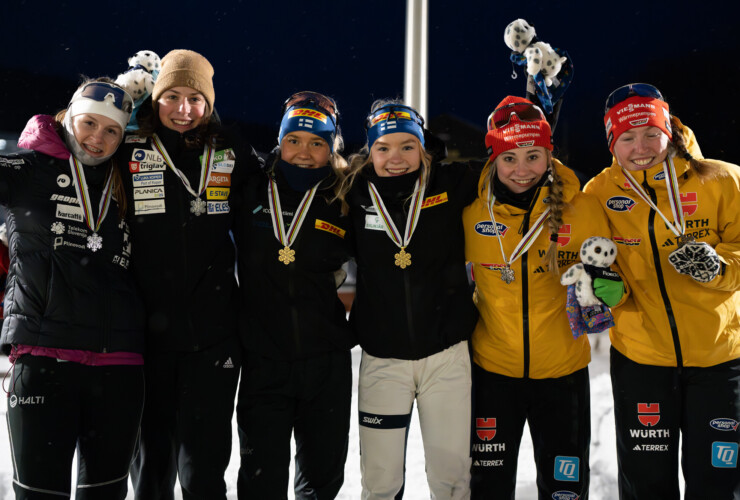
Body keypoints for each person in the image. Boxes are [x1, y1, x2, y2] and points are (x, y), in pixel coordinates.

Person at [116, 49, 260, 499]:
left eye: (195, 98)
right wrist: (120, 99)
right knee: (151, 467)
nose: (183, 109)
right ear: (153, 100)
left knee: (204, 469)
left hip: (211, 336)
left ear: (209, 104)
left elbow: (266, 219)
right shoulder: (128, 146)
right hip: (146, 337)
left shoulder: (230, 151)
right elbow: (76, 142)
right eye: (171, 96)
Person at [584, 83, 740, 499]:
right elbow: (596, 258)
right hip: (642, 360)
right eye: (627, 137)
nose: (641, 148)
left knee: (718, 484)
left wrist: (718, 266)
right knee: (646, 485)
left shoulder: (724, 179)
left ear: (669, 130)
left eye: (651, 133)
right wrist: (607, 288)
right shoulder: (598, 193)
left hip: (719, 359)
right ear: (611, 142)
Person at [463, 96, 618, 499]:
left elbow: (615, 289)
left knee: (565, 489)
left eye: (533, 156)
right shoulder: (471, 213)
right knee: (488, 489)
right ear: (493, 159)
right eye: (509, 157)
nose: (521, 170)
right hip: (492, 374)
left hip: (563, 374)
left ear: (550, 155)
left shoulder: (583, 208)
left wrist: (598, 286)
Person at [0, 79, 145, 499]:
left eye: (111, 130)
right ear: (68, 118)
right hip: (46, 361)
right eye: (88, 124)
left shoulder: (129, 179)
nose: (97, 139)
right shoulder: (26, 170)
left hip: (120, 365)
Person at [336, 100, 479, 499]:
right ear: (370, 151)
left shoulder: (451, 183)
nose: (394, 158)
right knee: (380, 484)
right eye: (383, 148)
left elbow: (517, 169)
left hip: (445, 358)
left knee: (451, 482)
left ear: (423, 148)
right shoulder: (354, 194)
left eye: (406, 147)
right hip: (383, 360)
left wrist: (542, 108)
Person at [234, 91, 354, 498]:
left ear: (331, 146)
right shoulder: (248, 187)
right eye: (294, 140)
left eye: (317, 142)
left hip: (326, 364)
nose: (304, 151)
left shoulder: (345, 197)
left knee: (321, 481)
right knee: (260, 479)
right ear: (280, 141)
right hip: (263, 361)